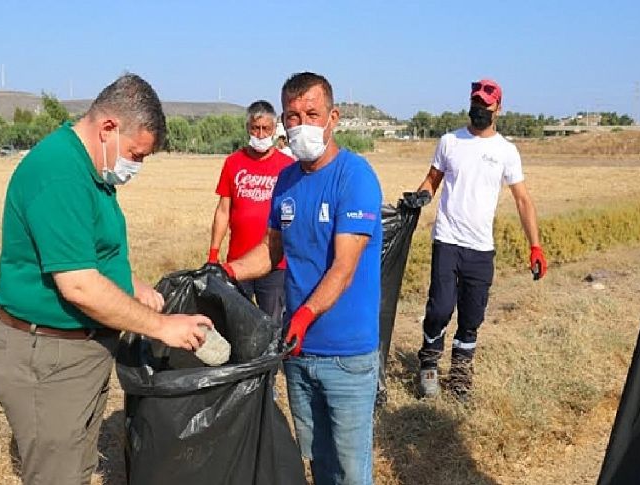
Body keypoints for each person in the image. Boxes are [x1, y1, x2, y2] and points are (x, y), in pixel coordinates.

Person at [0, 73, 212, 485]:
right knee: (59, 476)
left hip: (75, 352)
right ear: (108, 127)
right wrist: (162, 327)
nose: (136, 166)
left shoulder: (90, 169)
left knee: (78, 466)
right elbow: (79, 284)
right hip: (48, 357)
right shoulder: (61, 174)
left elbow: (88, 256)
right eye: (136, 154)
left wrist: (131, 285)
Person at [219, 72, 382, 485]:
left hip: (346, 354)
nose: (301, 124)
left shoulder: (355, 176)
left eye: (312, 113)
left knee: (350, 468)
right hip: (299, 353)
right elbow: (273, 250)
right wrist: (227, 270)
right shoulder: (287, 181)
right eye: (292, 116)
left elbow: (344, 267)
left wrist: (304, 315)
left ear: (333, 117)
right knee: (317, 461)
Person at [416, 78, 548, 400]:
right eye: (475, 103)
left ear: (498, 109)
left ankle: (461, 371)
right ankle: (429, 363)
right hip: (447, 240)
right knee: (441, 307)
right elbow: (432, 181)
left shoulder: (506, 151)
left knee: (472, 316)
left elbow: (522, 200)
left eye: (485, 105)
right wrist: (418, 198)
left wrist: (535, 246)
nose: (479, 109)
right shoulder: (449, 142)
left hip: (480, 248)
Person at [208, 100, 294, 321]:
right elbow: (223, 211)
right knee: (237, 324)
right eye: (256, 128)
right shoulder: (233, 163)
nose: (261, 133)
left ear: (275, 129)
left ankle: (271, 358)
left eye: (266, 128)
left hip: (274, 263)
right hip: (238, 262)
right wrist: (213, 255)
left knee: (272, 325)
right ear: (248, 128)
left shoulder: (287, 167)